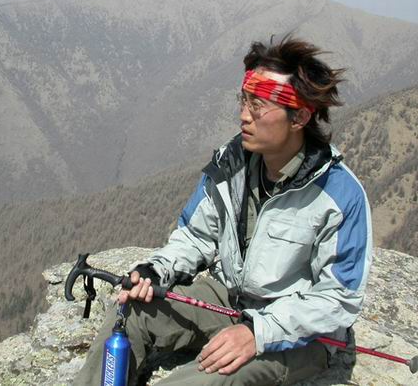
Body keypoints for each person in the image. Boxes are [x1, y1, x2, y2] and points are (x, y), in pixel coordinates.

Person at [74, 35, 372, 385]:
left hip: (298, 335)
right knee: (130, 312)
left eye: (258, 105)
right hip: (230, 299)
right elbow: (196, 236)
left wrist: (258, 331)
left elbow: (338, 298)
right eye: (244, 100)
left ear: (299, 117)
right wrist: (155, 271)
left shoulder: (338, 196)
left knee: (205, 379)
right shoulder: (232, 163)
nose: (244, 115)